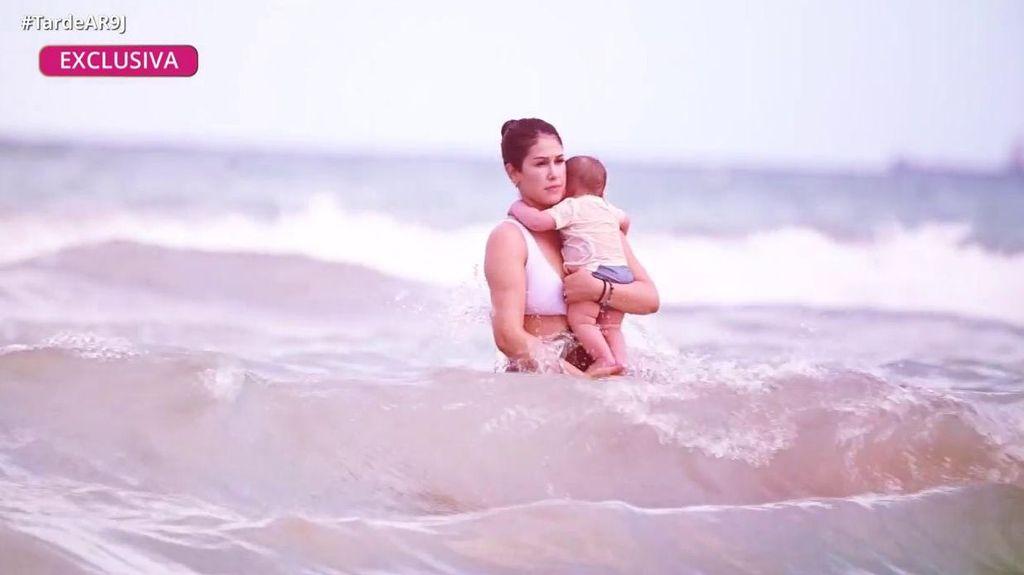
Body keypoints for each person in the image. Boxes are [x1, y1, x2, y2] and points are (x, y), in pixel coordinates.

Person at [484, 118, 659, 377]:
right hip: (544, 393)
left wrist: (598, 290)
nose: (554, 173)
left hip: (601, 389)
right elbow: (509, 337)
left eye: (559, 161)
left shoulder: (592, 225)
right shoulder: (510, 238)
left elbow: (649, 299)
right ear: (514, 173)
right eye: (541, 164)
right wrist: (580, 382)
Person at [507, 155, 632, 372]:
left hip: (595, 273)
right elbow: (626, 221)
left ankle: (605, 360)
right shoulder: (608, 209)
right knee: (611, 327)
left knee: (582, 321)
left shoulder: (572, 207)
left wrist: (517, 209)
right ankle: (620, 362)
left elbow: (539, 222)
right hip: (621, 273)